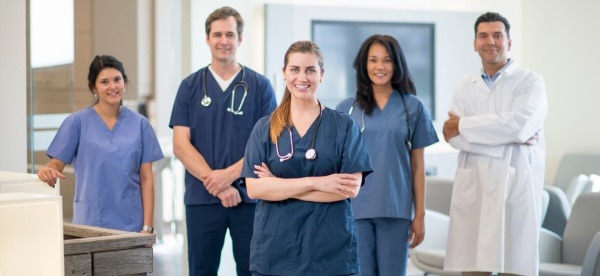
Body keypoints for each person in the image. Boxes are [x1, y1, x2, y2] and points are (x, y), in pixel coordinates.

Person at [241, 40, 373, 275]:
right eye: (295, 69)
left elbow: (349, 189)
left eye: (310, 70)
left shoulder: (343, 126)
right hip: (277, 251)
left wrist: (278, 185)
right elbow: (255, 188)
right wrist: (318, 182)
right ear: (284, 73)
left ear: (321, 74)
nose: (302, 77)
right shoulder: (265, 128)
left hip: (330, 252)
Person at [169, 6, 277, 276]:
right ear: (207, 39)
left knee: (254, 270)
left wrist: (229, 177)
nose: (224, 41)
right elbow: (181, 145)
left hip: (250, 197)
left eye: (230, 34)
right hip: (202, 200)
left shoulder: (260, 86)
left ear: (240, 39)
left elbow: (268, 142)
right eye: (217, 34)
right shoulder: (190, 86)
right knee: (201, 270)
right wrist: (216, 185)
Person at [442, 12, 547, 276]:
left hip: (514, 186)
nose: (491, 41)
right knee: (473, 267)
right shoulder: (464, 86)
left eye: (497, 35)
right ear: (475, 43)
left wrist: (466, 125)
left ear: (509, 42)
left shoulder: (531, 82)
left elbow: (520, 125)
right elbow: (453, 138)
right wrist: (507, 142)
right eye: (484, 36)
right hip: (474, 187)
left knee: (514, 265)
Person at [336, 34, 438, 275]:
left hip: (396, 209)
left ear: (397, 65)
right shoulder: (346, 109)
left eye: (387, 60)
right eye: (373, 60)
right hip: (355, 209)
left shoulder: (412, 106)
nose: (379, 67)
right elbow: (336, 163)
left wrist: (420, 215)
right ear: (364, 65)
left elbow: (417, 165)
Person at [37, 55, 164, 233]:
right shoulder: (76, 123)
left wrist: (147, 228)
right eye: (104, 81)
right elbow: (56, 163)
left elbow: (147, 179)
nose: (112, 86)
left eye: (117, 80)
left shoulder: (140, 125)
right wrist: (48, 169)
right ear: (93, 87)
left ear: (125, 83)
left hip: (131, 225)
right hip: (90, 221)